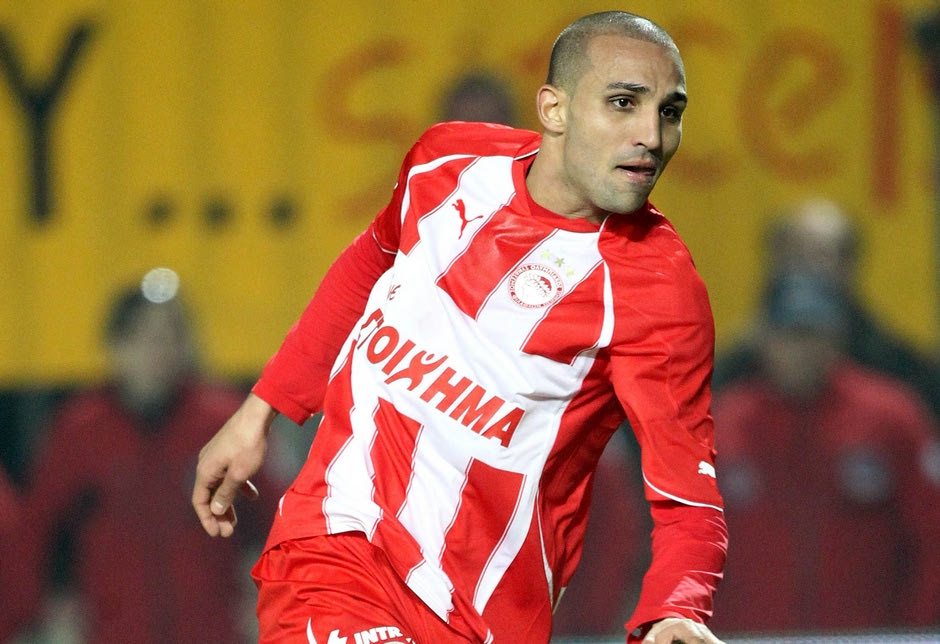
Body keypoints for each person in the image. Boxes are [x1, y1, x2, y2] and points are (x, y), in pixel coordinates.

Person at [194, 11, 727, 644]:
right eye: (623, 103)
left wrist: (676, 608)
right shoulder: (446, 162)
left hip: (483, 617)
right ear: (554, 109)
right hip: (335, 544)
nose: (652, 136)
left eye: (670, 112)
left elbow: (689, 497)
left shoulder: (658, 291)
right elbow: (370, 260)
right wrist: (260, 411)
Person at [18, 271, 276, 643]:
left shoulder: (222, 422)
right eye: (143, 337)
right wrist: (36, 616)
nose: (156, 351)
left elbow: (278, 521)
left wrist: (280, 604)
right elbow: (36, 533)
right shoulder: (81, 431)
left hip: (211, 632)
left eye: (169, 336)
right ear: (116, 345)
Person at [709, 271, 940, 633]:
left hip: (869, 637)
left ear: (837, 338)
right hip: (746, 635)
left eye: (815, 334)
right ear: (763, 338)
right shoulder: (722, 425)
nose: (802, 350)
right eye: (790, 335)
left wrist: (916, 632)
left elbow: (931, 535)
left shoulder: (890, 417)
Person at [712, 197, 940, 430]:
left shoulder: (897, 365)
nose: (804, 269)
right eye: (793, 255)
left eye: (819, 256)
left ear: (848, 266)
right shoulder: (736, 367)